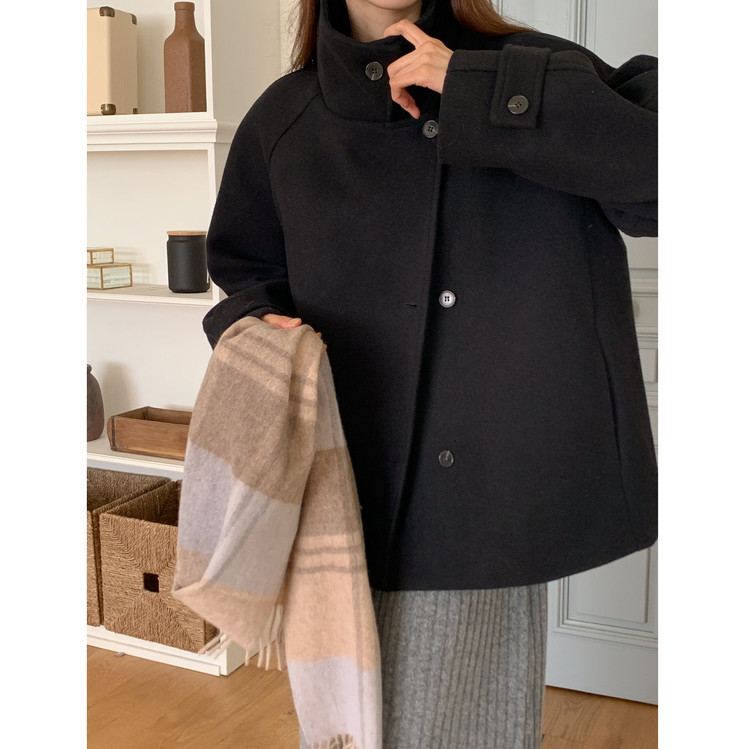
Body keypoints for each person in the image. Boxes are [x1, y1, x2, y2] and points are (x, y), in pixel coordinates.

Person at [202, 1, 658, 747]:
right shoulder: (284, 118)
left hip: (488, 495)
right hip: (344, 489)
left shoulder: (530, 68)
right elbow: (245, 267)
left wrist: (484, 91)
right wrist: (256, 324)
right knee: (353, 726)